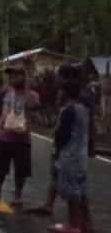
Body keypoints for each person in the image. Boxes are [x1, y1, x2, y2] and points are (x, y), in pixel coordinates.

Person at [29, 63, 96, 218]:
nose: (56, 79)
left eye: (59, 75)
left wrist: (59, 148)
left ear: (64, 77)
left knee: (70, 180)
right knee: (60, 174)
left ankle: (77, 220)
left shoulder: (76, 96)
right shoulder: (77, 94)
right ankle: (50, 205)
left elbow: (82, 123)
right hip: (76, 146)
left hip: (72, 148)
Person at [0, 66, 41, 207]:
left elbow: (33, 106)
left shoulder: (32, 94)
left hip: (22, 138)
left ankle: (18, 196)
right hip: (4, 137)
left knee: (21, 170)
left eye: (16, 76)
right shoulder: (5, 92)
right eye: (11, 76)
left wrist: (26, 89)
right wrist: (1, 117)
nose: (12, 79)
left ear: (24, 77)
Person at [49, 78, 92, 233]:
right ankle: (86, 223)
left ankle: (73, 225)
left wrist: (56, 152)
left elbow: (62, 135)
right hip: (81, 156)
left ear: (65, 93)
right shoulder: (83, 109)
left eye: (60, 90)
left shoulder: (68, 110)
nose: (58, 93)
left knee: (71, 190)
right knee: (82, 190)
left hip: (69, 155)